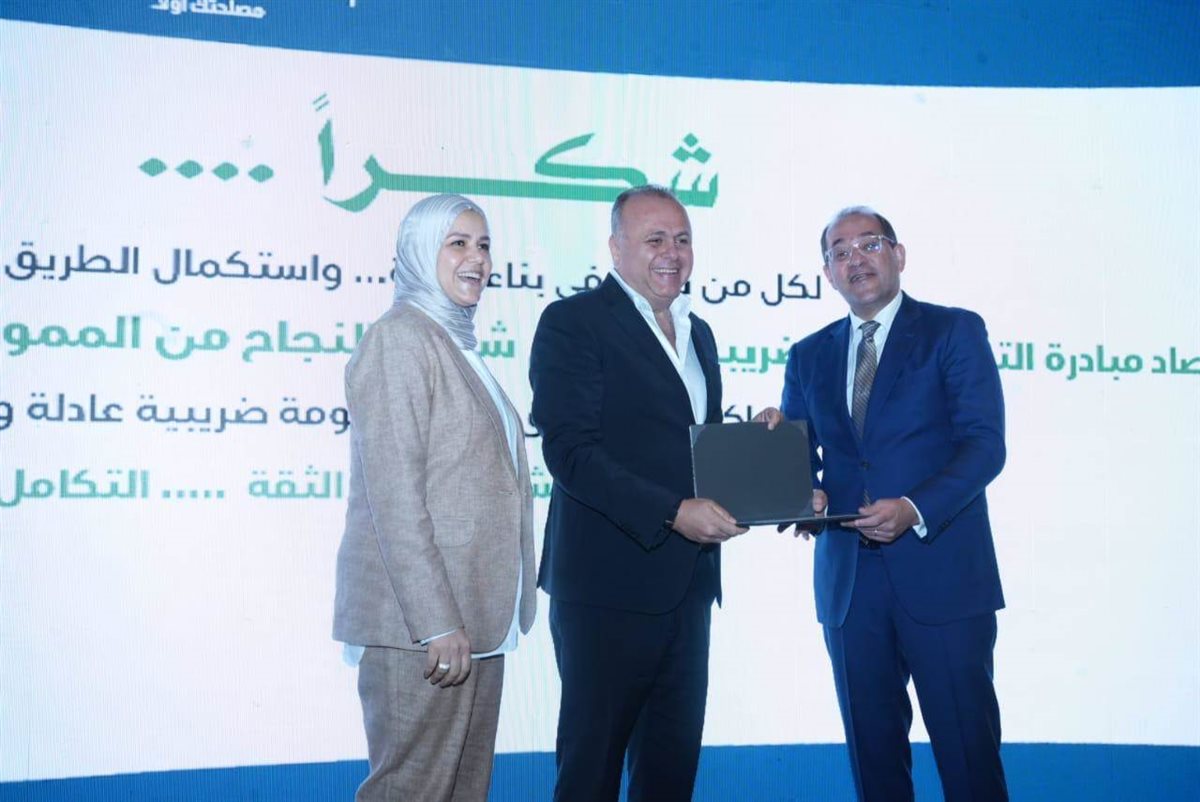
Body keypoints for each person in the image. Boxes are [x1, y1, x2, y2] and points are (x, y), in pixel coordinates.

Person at [769, 206, 1009, 801]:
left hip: (943, 574)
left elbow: (984, 446)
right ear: (827, 273)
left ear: (898, 255)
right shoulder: (808, 355)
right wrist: (798, 489)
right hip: (850, 587)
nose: (856, 259)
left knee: (969, 756)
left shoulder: (953, 331)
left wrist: (913, 509)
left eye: (869, 244)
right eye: (840, 252)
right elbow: (801, 464)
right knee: (874, 762)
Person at [529, 185, 746, 802]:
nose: (671, 253)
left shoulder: (699, 332)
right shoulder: (573, 322)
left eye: (682, 239)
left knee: (669, 774)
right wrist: (672, 513)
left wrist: (760, 454)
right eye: (654, 240)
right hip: (606, 589)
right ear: (615, 247)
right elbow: (570, 452)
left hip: (689, 587)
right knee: (590, 773)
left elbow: (689, 449)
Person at [332, 194, 537, 802]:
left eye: (484, 245)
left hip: (475, 624)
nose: (477, 259)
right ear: (420, 252)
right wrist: (437, 622)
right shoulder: (400, 339)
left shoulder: (453, 341)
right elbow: (395, 498)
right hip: (422, 631)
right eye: (458, 243)